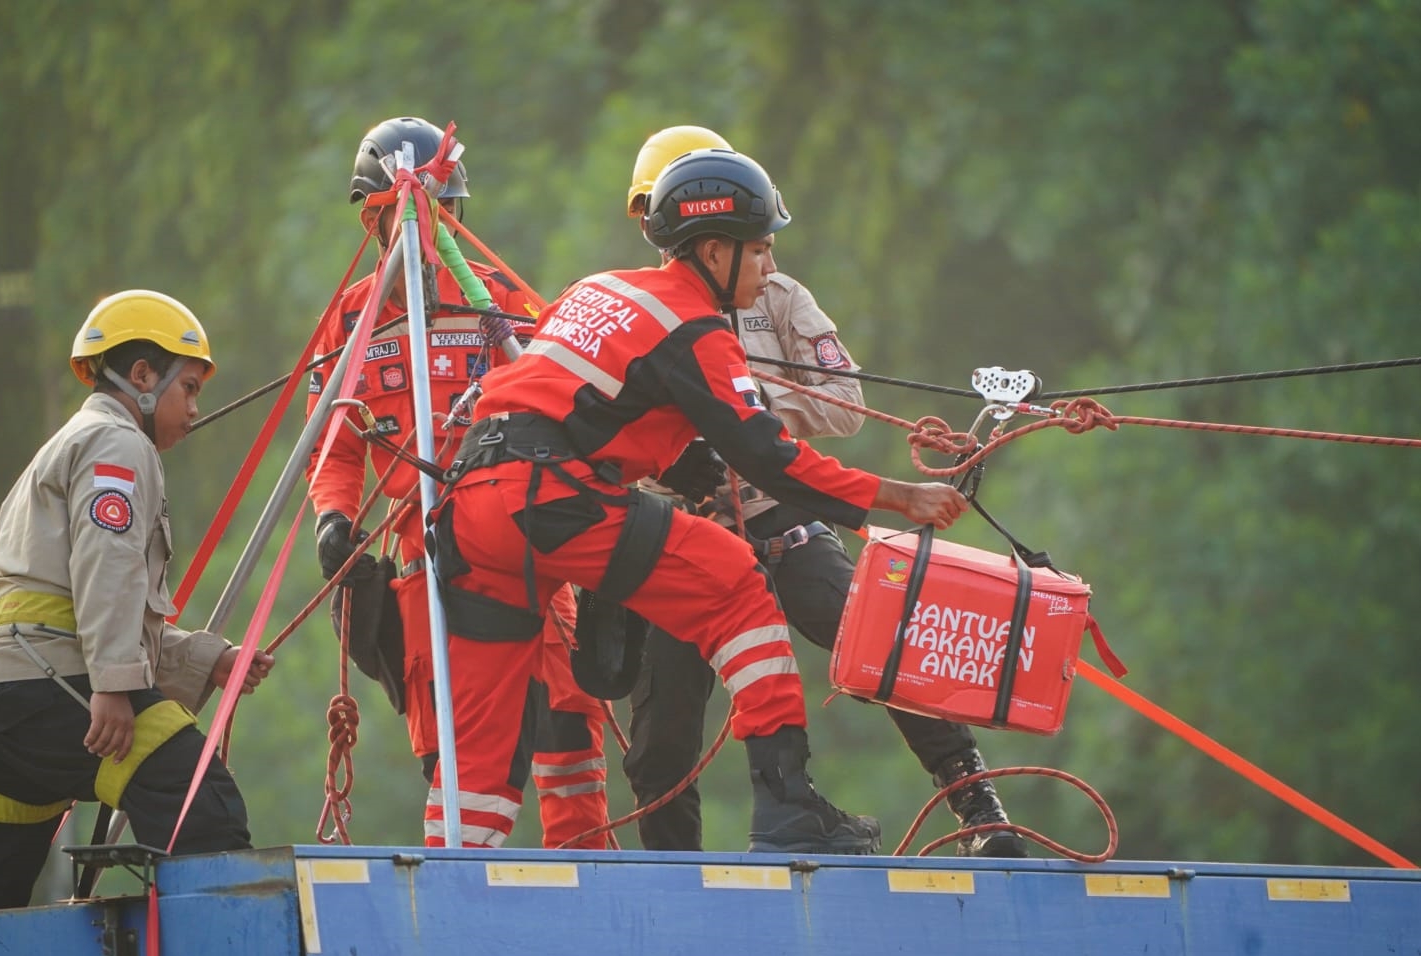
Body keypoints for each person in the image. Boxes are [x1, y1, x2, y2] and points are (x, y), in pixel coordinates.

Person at [426, 146, 972, 855]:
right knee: (734, 581)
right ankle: (788, 806)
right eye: (762, 249)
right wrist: (900, 498)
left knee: (480, 739)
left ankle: (444, 883)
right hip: (550, 499)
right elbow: (770, 458)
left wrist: (682, 463)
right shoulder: (695, 326)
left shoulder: (598, 288)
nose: (771, 266)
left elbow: (578, 402)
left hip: (471, 511)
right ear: (714, 249)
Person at [620, 127, 1028, 857]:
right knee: (661, 736)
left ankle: (980, 811)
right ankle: (670, 877)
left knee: (882, 647)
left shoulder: (776, 296)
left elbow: (843, 402)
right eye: (653, 210)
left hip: (786, 522)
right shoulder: (635, 310)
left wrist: (746, 415)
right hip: (683, 535)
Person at [306, 116, 609, 848]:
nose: (429, 223)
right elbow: (337, 452)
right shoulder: (349, 326)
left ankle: (591, 883)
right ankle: (462, 904)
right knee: (454, 753)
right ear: (373, 215)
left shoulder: (499, 302)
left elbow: (565, 406)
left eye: (443, 208)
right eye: (410, 209)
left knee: (570, 727)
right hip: (425, 579)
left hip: (527, 554)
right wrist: (333, 522)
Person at [0, 289, 275, 910]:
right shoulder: (118, 444)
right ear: (141, 376)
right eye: (189, 388)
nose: (196, 409)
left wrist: (206, 660)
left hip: (8, 702)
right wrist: (113, 687)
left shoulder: (65, 446)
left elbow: (67, 608)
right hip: (50, 685)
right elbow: (108, 567)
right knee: (203, 807)